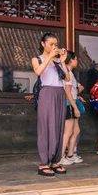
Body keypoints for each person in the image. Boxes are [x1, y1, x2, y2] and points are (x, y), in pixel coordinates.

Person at [32, 33, 70, 177]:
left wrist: (63, 61)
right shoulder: (38, 59)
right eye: (51, 44)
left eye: (56, 44)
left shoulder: (57, 61)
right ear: (43, 44)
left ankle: (55, 161)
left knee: (59, 126)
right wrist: (49, 57)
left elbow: (67, 78)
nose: (54, 47)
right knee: (46, 126)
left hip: (60, 93)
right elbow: (38, 71)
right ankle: (43, 163)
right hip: (46, 92)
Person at [60, 51, 85, 165]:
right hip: (69, 103)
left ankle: (70, 154)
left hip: (71, 102)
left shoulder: (69, 72)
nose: (77, 61)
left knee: (76, 130)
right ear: (71, 60)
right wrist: (75, 108)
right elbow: (68, 92)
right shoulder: (68, 73)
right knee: (68, 131)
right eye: (75, 59)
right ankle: (60, 156)